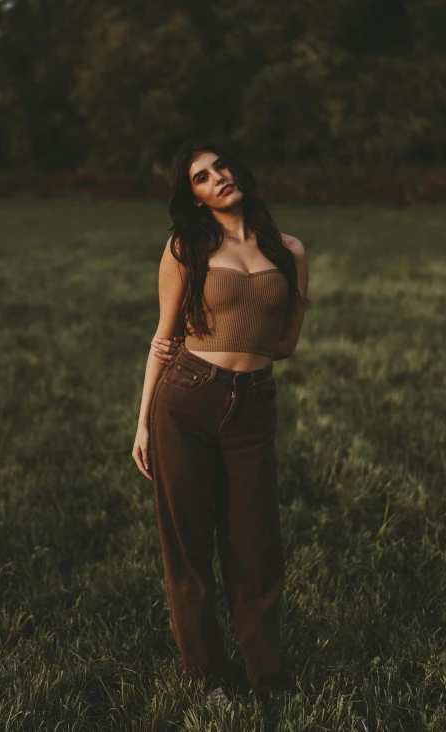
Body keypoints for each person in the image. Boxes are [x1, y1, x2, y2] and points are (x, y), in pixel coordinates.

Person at [132, 138, 309, 709]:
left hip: (254, 403)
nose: (217, 178)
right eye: (201, 178)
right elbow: (163, 340)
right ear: (197, 198)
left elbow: (283, 344)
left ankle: (268, 679)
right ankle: (208, 679)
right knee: (189, 550)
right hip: (185, 402)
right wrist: (142, 425)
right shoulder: (187, 246)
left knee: (255, 549)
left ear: (238, 170)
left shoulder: (289, 251)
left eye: (220, 166)